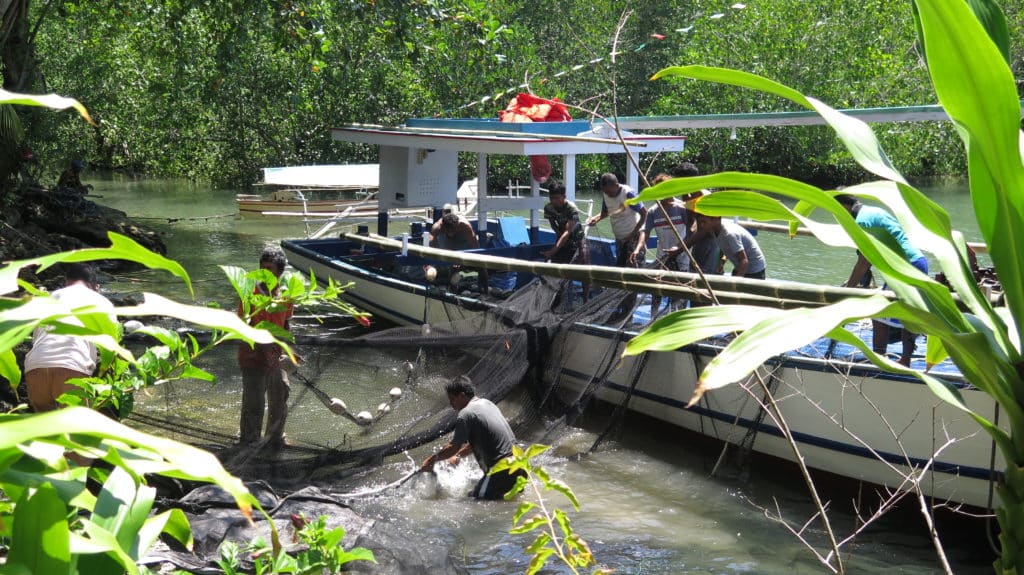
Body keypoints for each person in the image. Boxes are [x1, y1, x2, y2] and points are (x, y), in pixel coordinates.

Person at [836, 194, 928, 366]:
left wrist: (848, 288)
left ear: (843, 206)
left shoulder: (861, 222)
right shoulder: (874, 211)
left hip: (903, 266)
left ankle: (879, 358)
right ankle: (905, 360)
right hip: (917, 260)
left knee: (879, 313)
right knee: (909, 313)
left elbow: (864, 261)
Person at [24, 263, 116, 412]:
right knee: (77, 431)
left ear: (66, 282)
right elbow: (112, 347)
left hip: (35, 367)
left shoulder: (48, 299)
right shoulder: (102, 302)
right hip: (73, 366)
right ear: (96, 287)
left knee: (46, 430)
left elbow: (37, 338)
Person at [421, 375, 525, 500]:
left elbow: (454, 446)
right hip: (521, 464)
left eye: (452, 399)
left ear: (462, 395)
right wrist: (458, 456)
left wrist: (432, 460)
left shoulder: (465, 414)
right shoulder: (488, 404)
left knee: (476, 504)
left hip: (501, 470)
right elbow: (483, 439)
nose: (451, 404)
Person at [237, 246, 295, 448]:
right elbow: (246, 327)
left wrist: (288, 349)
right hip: (252, 355)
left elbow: (286, 323)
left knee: (281, 396)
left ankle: (275, 439)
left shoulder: (286, 294)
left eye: (269, 268)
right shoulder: (250, 294)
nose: (265, 273)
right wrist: (266, 351)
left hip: (276, 355)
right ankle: (249, 441)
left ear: (279, 272)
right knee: (254, 403)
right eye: (262, 268)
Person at [586, 173, 647, 268]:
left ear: (617, 185)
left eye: (609, 192)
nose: (608, 194)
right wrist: (596, 219)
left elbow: (644, 213)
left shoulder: (628, 194)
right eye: (605, 192)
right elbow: (606, 212)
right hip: (619, 239)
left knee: (635, 266)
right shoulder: (606, 194)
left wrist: (633, 234)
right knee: (621, 267)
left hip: (633, 236)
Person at [691, 214, 767, 279]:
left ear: (716, 219)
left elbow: (744, 261)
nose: (701, 225)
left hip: (754, 269)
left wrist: (735, 284)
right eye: (700, 222)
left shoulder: (729, 234)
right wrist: (721, 262)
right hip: (739, 266)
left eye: (704, 222)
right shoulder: (714, 229)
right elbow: (724, 245)